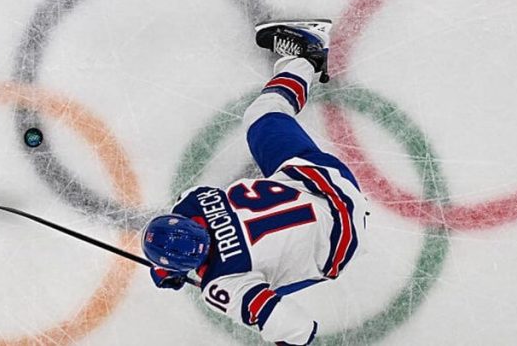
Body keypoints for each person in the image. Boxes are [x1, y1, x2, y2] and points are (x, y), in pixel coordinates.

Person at [142, 20, 369, 346]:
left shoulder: (224, 283)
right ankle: (306, 56)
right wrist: (170, 267)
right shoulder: (195, 201)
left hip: (342, 243)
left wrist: (177, 269)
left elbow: (300, 330)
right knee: (264, 114)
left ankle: (309, 55)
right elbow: (193, 216)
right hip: (326, 182)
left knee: (269, 284)